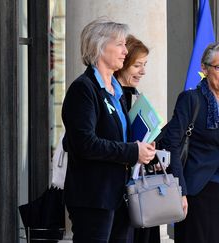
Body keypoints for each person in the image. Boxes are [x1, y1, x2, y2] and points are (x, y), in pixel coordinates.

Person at [61, 17, 156, 243]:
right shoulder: (83, 89)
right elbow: (86, 144)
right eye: (120, 44)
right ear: (100, 47)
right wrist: (133, 151)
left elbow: (120, 137)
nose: (125, 51)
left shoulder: (117, 90)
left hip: (119, 196)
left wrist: (144, 149)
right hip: (94, 198)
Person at [163, 42, 219, 243]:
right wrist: (180, 192)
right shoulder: (190, 99)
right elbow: (172, 145)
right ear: (204, 68)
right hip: (195, 194)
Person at [113, 35, 161, 243]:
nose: (143, 71)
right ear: (122, 64)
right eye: (137, 65)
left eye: (144, 65)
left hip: (138, 188)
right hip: (116, 191)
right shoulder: (112, 96)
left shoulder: (133, 95)